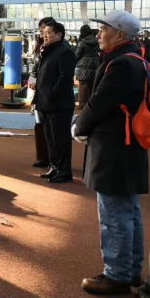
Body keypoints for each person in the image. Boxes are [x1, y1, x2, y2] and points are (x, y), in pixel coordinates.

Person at [72, 11, 150, 295]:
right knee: (129, 211)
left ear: (119, 33)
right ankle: (130, 270)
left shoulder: (121, 64)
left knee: (115, 214)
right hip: (128, 146)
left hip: (114, 148)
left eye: (103, 29)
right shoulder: (136, 59)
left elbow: (99, 103)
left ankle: (116, 275)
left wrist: (78, 126)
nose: (98, 34)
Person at [33, 22, 77, 184]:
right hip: (45, 104)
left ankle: (64, 171)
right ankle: (54, 167)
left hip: (59, 105)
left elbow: (65, 78)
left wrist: (51, 94)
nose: (44, 35)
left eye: (48, 33)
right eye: (43, 32)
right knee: (50, 140)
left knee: (60, 140)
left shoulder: (65, 52)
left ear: (59, 35)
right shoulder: (47, 51)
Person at [30, 17, 55, 169]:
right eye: (41, 30)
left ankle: (52, 160)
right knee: (39, 125)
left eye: (45, 31)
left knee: (50, 129)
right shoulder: (40, 46)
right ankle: (42, 157)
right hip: (39, 93)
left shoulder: (58, 50)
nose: (42, 33)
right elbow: (35, 67)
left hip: (49, 95)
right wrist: (32, 81)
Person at [76, 24, 100, 110]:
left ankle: (82, 104)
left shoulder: (82, 42)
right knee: (92, 85)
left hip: (84, 65)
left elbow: (77, 55)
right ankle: (91, 104)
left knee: (83, 85)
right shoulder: (96, 41)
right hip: (95, 64)